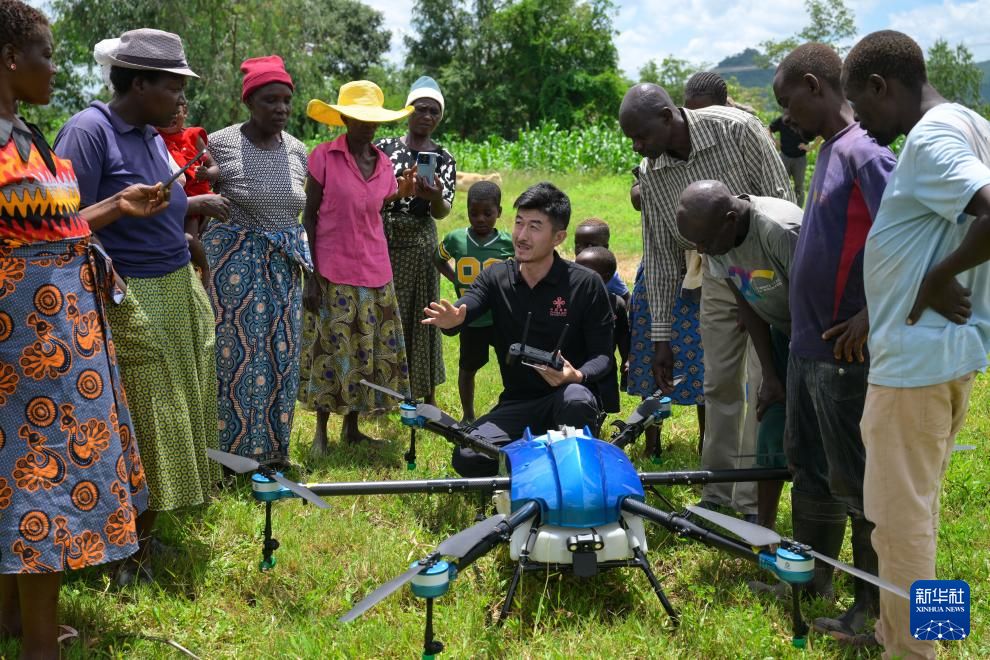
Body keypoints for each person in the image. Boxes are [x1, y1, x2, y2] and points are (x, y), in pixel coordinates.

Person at [0, 2, 161, 653]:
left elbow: (49, 228)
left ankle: (12, 621)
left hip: (64, 339)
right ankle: (40, 645)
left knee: (25, 474)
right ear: (10, 58)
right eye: (46, 55)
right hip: (22, 348)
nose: (54, 68)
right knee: (36, 477)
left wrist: (118, 204)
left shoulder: (26, 136)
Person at [843, 31, 990, 659]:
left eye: (862, 106)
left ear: (881, 86)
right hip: (939, 358)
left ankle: (913, 653)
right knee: (918, 518)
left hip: (914, 369)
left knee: (899, 527)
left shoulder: (931, 137)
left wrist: (938, 274)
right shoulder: (971, 124)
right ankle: (922, 640)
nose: (862, 125)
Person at [53, 28, 220, 584]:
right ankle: (123, 553)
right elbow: (62, 224)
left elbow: (159, 207)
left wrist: (191, 249)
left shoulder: (150, 135)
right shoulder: (89, 131)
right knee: (145, 420)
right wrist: (119, 218)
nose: (180, 97)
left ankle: (145, 539)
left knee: (172, 414)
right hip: (128, 294)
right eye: (172, 85)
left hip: (173, 287)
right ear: (139, 83)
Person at [619, 83, 793, 521]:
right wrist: (662, 337)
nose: (637, 146)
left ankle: (751, 500)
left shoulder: (737, 130)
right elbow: (661, 254)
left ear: (667, 116)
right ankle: (717, 493)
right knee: (718, 383)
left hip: (767, 269)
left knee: (762, 382)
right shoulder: (653, 173)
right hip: (717, 271)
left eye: (641, 135)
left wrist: (773, 285)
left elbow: (782, 202)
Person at [772, 42, 897, 642]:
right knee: (810, 468)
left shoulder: (867, 153)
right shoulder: (828, 150)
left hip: (844, 352)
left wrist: (871, 315)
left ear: (815, 85)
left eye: (788, 100)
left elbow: (910, 241)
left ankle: (871, 606)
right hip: (807, 346)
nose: (786, 115)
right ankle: (814, 576)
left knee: (857, 480)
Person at [423, 182, 614, 478]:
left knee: (576, 399)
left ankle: (551, 458)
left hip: (568, 398)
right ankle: (548, 459)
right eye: (519, 223)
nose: (522, 236)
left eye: (535, 227)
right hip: (517, 402)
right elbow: (471, 302)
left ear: (558, 237)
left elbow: (603, 356)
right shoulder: (496, 277)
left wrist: (576, 375)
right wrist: (455, 317)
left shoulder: (585, 284)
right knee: (468, 456)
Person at [203, 55, 310, 466]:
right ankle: (228, 456)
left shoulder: (297, 150)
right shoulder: (220, 143)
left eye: (286, 100)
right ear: (249, 102)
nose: (281, 108)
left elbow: (298, 213)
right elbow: (199, 203)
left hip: (283, 268)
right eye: (270, 100)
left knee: (281, 356)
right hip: (233, 269)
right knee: (234, 358)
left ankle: (274, 451)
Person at [676, 181, 801, 531]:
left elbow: (818, 302)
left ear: (730, 220)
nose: (701, 251)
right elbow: (746, 299)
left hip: (820, 336)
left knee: (812, 439)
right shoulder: (718, 239)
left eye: (704, 242)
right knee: (770, 420)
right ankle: (762, 526)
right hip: (783, 329)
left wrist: (799, 372)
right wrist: (772, 376)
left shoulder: (781, 230)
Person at [301, 80, 415, 454]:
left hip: (375, 269)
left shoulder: (383, 164)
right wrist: (311, 275)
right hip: (332, 269)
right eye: (359, 119)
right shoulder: (324, 157)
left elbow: (376, 205)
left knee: (365, 350)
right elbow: (309, 217)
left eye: (373, 120)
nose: (368, 126)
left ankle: (352, 428)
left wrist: (401, 193)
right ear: (345, 119)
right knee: (330, 350)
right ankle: (321, 433)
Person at [376, 76, 455, 405]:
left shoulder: (444, 157)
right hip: (384, 237)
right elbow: (372, 195)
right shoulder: (383, 148)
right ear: (408, 110)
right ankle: (384, 392)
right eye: (420, 109)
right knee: (384, 312)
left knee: (423, 313)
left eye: (434, 111)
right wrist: (399, 191)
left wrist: (434, 196)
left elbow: (443, 211)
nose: (426, 116)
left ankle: (426, 394)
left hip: (421, 241)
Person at [435, 180, 513, 422]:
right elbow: (437, 258)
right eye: (474, 213)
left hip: (500, 318)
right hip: (470, 318)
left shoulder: (508, 243)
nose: (480, 219)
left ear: (499, 212)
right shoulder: (456, 239)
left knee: (510, 367)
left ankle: (511, 411)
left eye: (487, 213)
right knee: (467, 368)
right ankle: (468, 415)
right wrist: (455, 278)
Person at [574, 246, 628, 414]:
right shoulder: (569, 302)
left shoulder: (616, 303)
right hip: (575, 367)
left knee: (602, 407)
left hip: (604, 369)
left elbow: (623, 335)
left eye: (584, 271)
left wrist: (627, 359)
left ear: (605, 277)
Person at [156, 98, 220, 237]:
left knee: (190, 238)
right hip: (171, 197)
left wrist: (207, 173)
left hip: (196, 195)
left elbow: (214, 167)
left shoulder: (193, 137)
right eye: (164, 111)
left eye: (175, 112)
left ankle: (201, 251)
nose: (170, 116)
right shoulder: (154, 138)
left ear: (184, 112)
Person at [573, 218, 629, 301]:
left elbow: (626, 297)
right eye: (577, 245)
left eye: (589, 245)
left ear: (605, 247)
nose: (581, 250)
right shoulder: (571, 269)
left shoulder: (610, 276)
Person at [769, 115, 813, 207]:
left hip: (800, 159)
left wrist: (810, 147)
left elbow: (819, 135)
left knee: (799, 187)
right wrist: (774, 141)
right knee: (781, 186)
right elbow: (769, 129)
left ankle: (799, 210)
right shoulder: (782, 119)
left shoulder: (805, 119)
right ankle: (782, 208)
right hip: (784, 157)